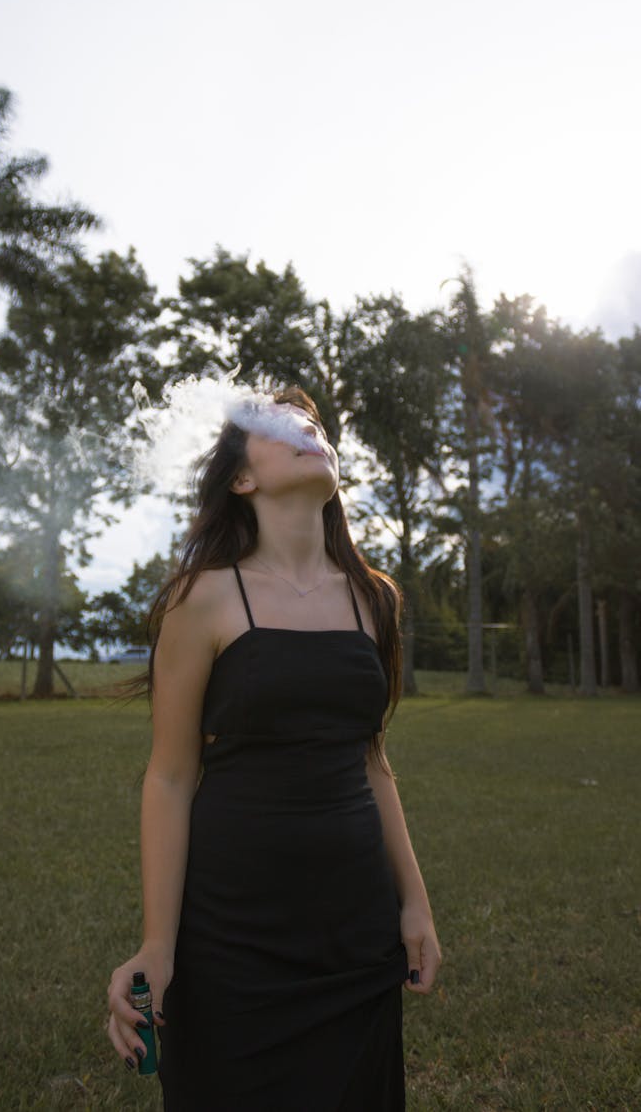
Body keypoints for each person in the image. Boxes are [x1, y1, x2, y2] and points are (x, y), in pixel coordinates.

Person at [106, 386, 441, 1110]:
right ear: (242, 479)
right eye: (278, 425)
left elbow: (372, 759)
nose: (306, 428)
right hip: (233, 935)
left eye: (315, 424)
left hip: (355, 933)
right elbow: (168, 775)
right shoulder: (204, 597)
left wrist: (414, 901)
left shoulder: (373, 597)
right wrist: (157, 943)